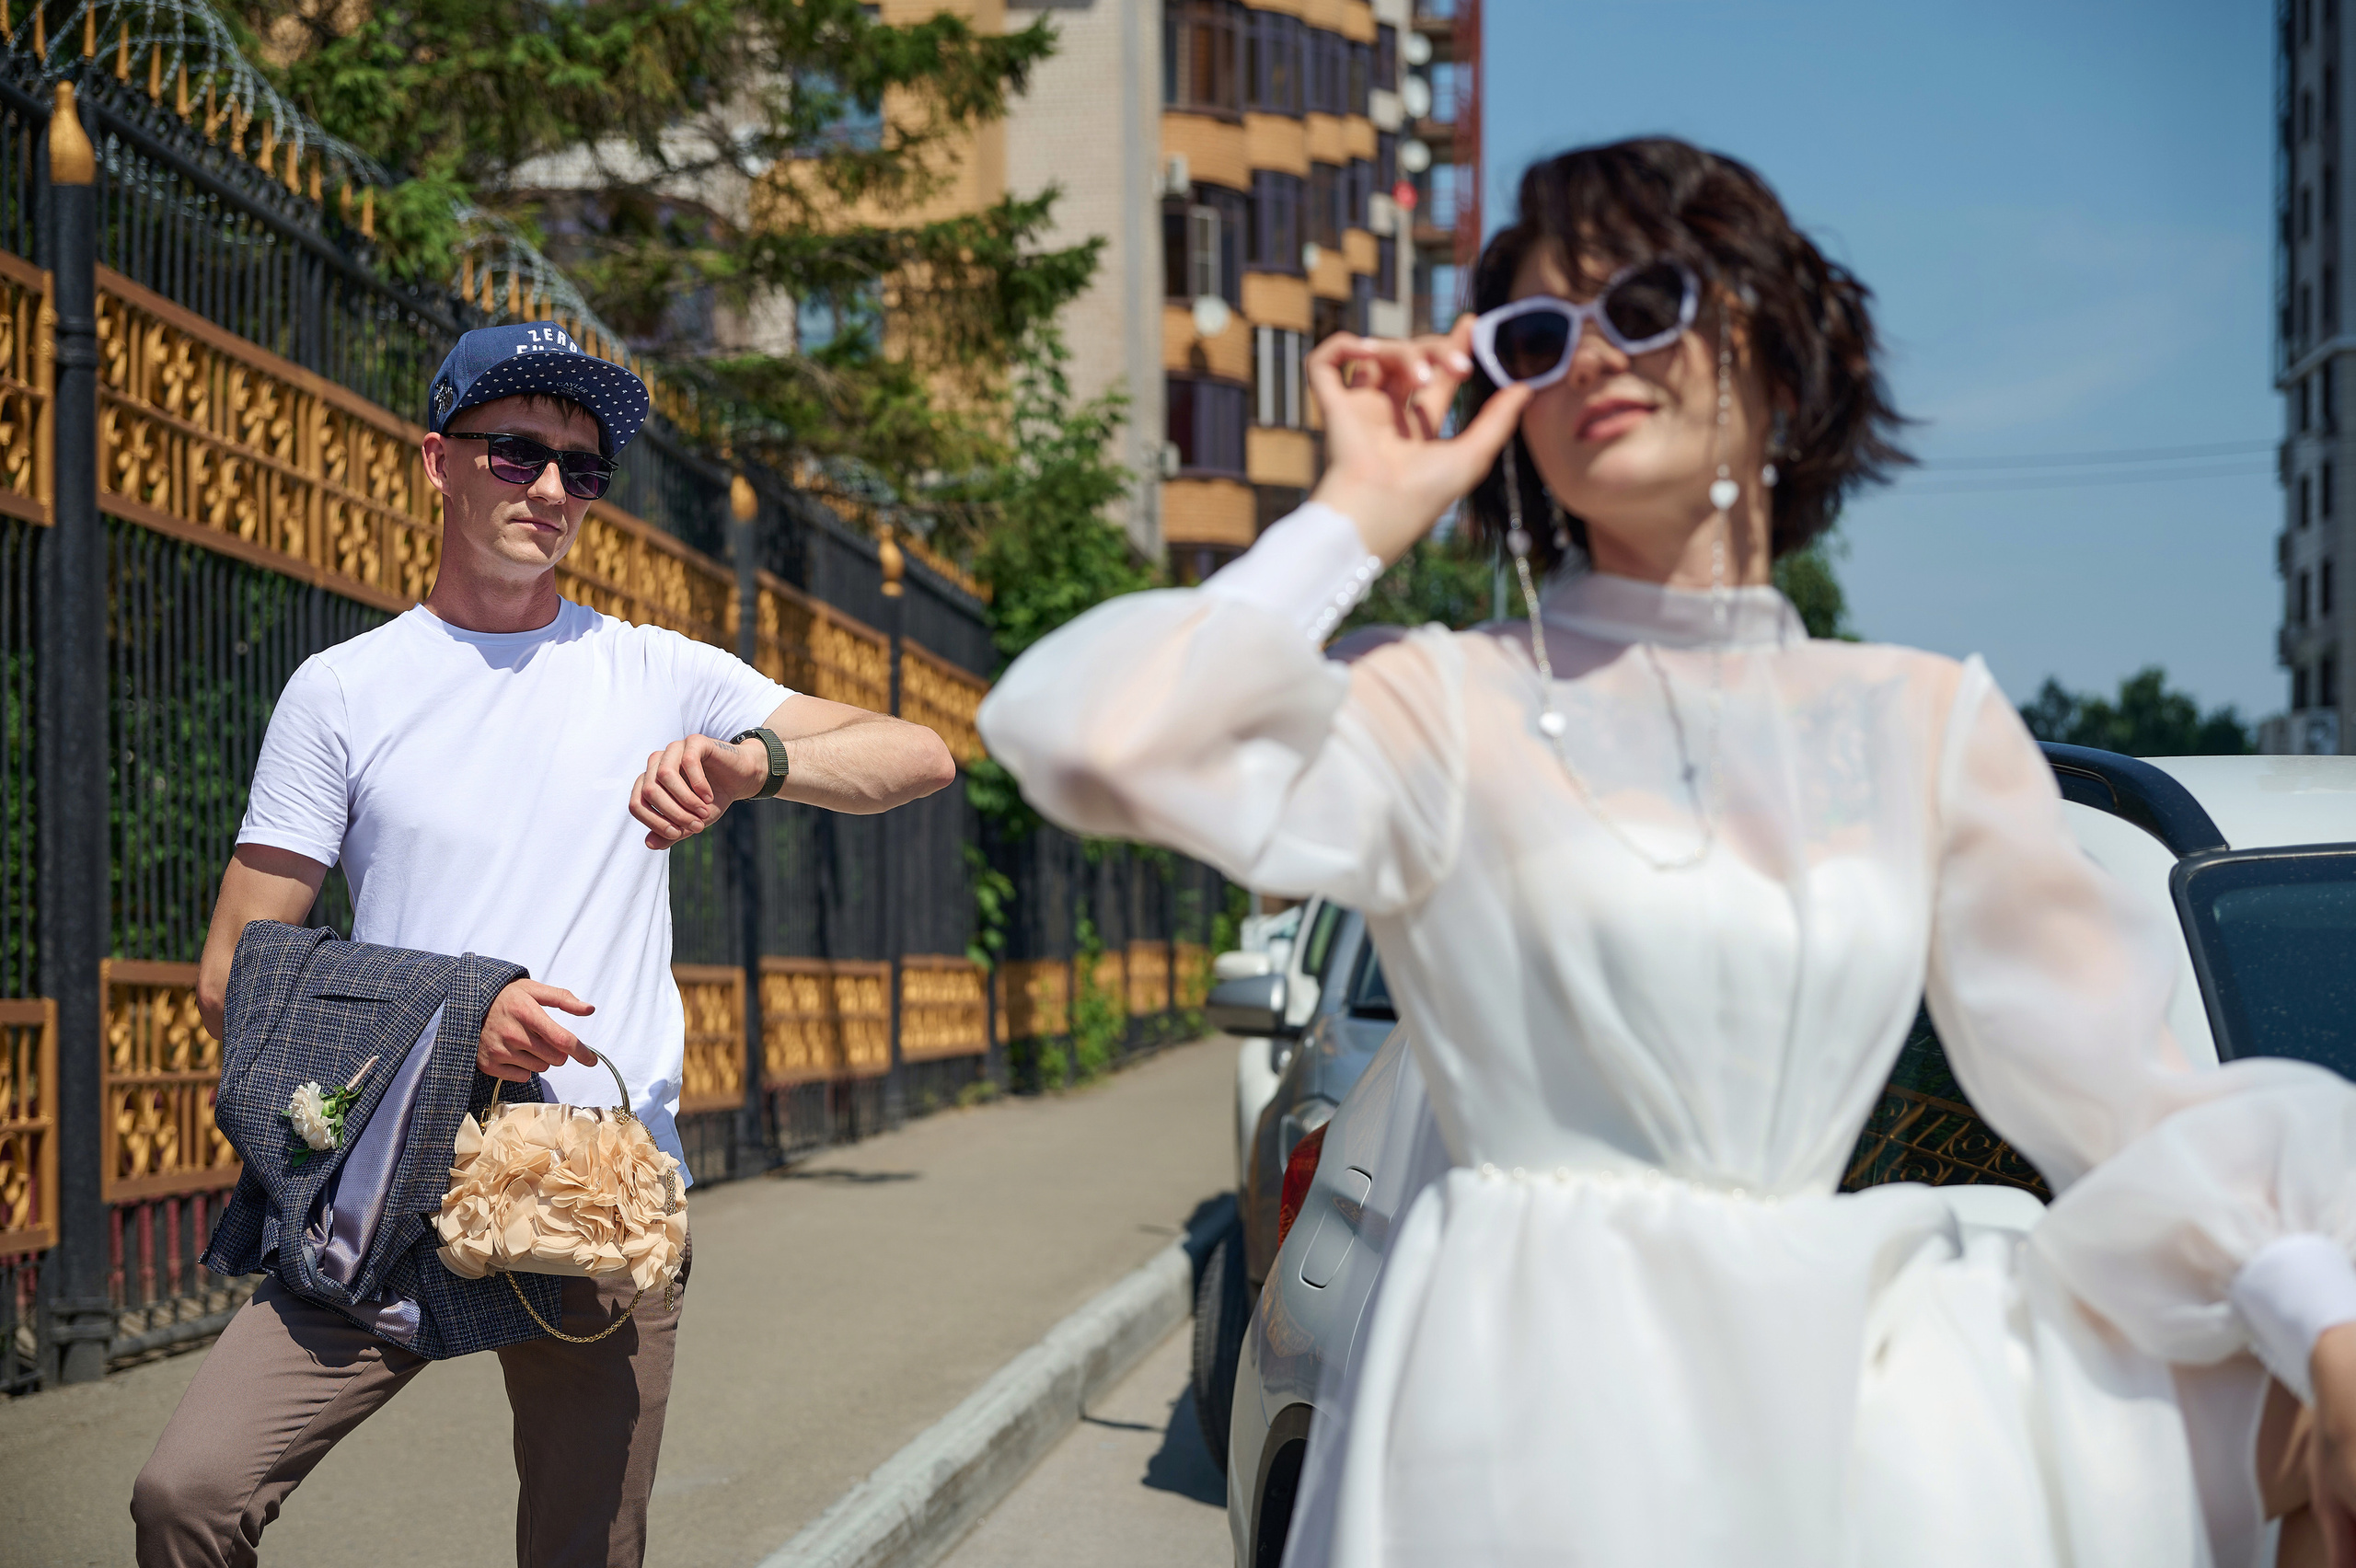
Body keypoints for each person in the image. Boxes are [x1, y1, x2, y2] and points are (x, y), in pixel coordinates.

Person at [978, 138, 2356, 1567]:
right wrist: (1361, 508)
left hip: (1826, 1411)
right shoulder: (1438, 700)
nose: (1588, 357)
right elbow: (1089, 741)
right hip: (1508, 1413)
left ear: (1774, 346)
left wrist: (2324, 1322)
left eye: (1641, 306)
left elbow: (2131, 1099)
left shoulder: (1925, 727)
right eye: (1535, 336)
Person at [130, 322, 955, 1568]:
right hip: (390, 1172)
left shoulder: (655, 671)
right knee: (189, 1493)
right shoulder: (344, 690)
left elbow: (919, 754)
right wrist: (462, 1018)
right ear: (438, 462)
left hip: (598, 1189)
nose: (553, 488)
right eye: (516, 453)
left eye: (584, 467)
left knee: (583, 1554)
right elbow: (233, 971)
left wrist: (752, 764)